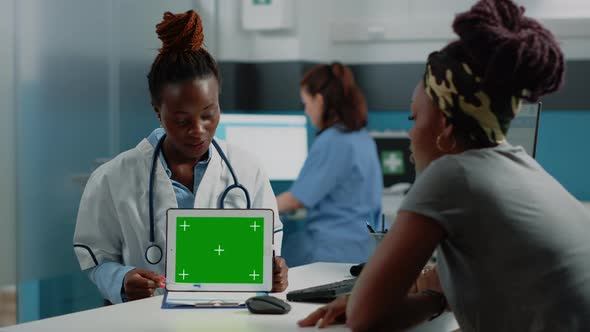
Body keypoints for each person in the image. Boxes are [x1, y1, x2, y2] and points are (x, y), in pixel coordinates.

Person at [298, 0, 590, 331]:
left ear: (446, 129)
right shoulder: (525, 170)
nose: (410, 132)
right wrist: (438, 298)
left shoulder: (452, 174)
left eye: (415, 117)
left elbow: (365, 317)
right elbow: (451, 279)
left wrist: (426, 300)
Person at [73, 10, 288, 304]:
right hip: (146, 321)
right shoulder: (114, 178)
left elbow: (269, 247)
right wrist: (121, 280)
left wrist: (274, 273)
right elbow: (95, 256)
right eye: (182, 120)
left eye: (209, 114)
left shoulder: (246, 170)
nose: (198, 131)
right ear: (156, 111)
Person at [276, 63, 383, 265]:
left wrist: (254, 210)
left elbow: (295, 200)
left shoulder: (333, 140)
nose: (307, 111)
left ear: (319, 100)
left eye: (306, 104)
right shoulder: (362, 138)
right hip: (360, 249)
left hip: (331, 252)